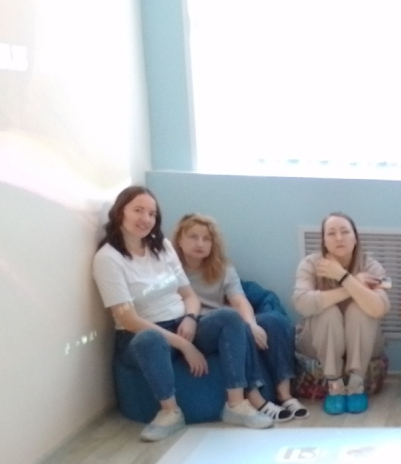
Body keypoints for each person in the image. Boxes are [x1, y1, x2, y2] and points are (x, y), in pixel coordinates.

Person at [92, 186, 273, 441]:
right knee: (149, 339)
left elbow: (189, 296)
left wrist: (190, 319)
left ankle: (236, 404)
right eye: (138, 210)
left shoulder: (163, 247)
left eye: (152, 214)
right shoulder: (108, 258)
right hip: (141, 335)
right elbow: (128, 319)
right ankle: (169, 412)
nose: (146, 219)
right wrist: (184, 345)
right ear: (120, 212)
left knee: (230, 317)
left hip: (181, 323)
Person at [172, 213, 308, 422]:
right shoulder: (170, 269)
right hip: (193, 328)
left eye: (206, 239)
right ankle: (256, 399)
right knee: (233, 320)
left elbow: (239, 300)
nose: (200, 243)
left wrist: (252, 324)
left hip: (227, 322)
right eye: (193, 237)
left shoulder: (222, 267)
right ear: (180, 240)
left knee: (273, 321)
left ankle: (285, 394)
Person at [292, 212, 390, 415]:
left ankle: (356, 385)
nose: (339, 238)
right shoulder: (310, 264)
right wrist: (350, 287)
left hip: (364, 342)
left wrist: (343, 276)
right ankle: (334, 385)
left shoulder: (370, 265)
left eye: (345, 232)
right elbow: (301, 302)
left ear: (355, 238)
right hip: (317, 342)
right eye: (331, 233)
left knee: (360, 309)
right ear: (324, 240)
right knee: (327, 311)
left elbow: (380, 308)